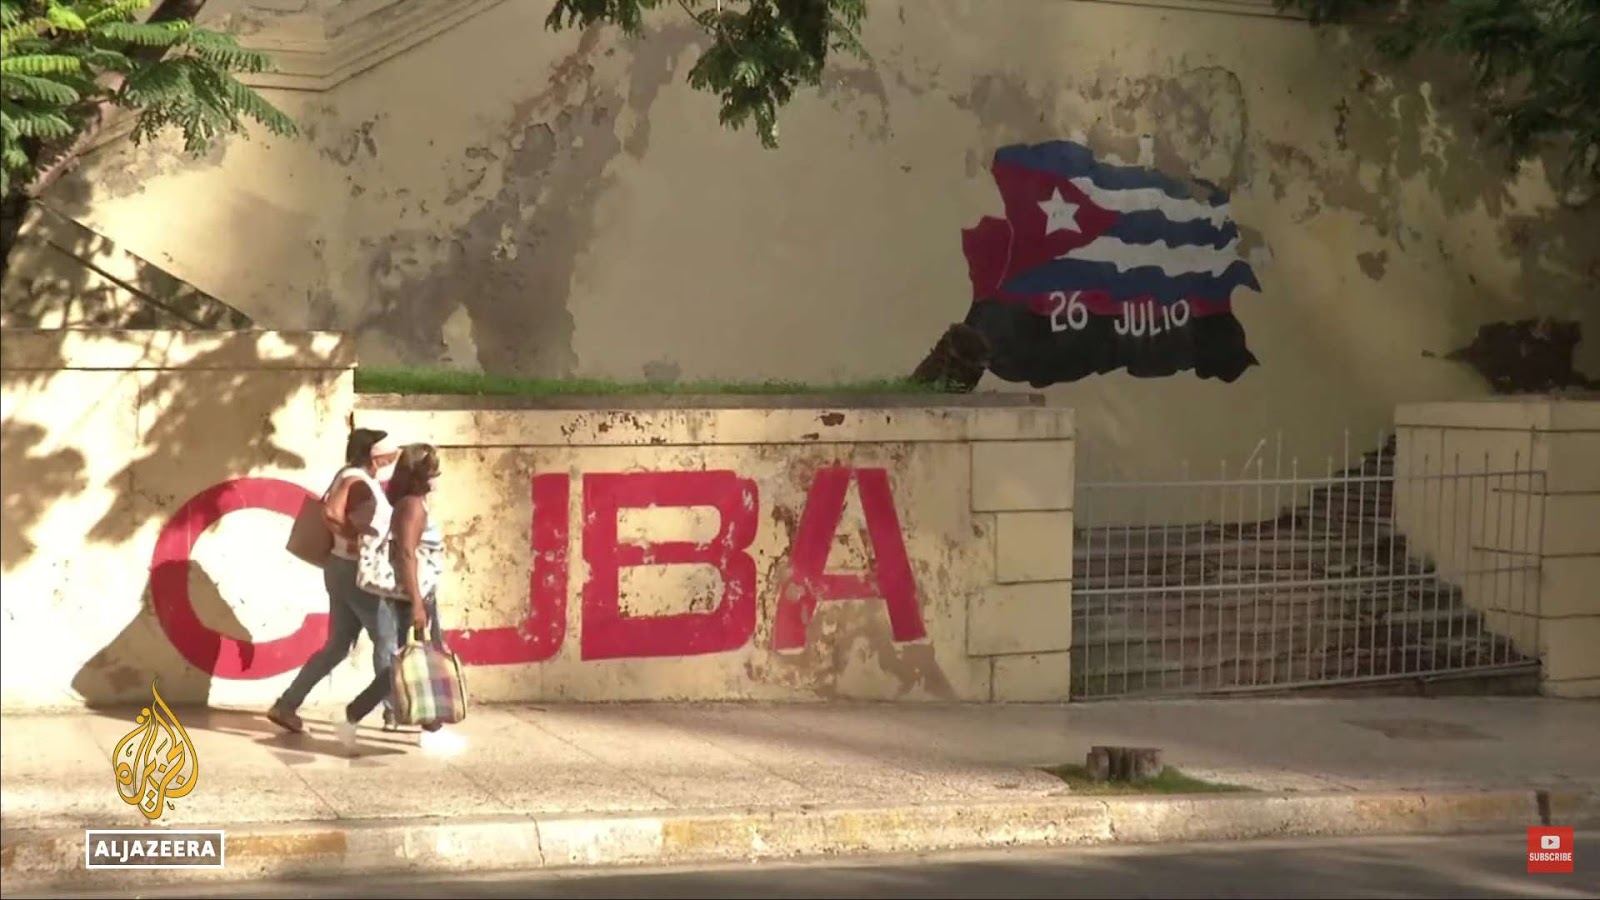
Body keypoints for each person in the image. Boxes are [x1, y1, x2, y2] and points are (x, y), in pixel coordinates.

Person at [266, 429, 400, 734]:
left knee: (338, 645)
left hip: (341, 569)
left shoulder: (350, 475)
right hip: (356, 572)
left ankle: (287, 704)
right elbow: (330, 512)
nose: (393, 457)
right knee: (386, 640)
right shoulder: (356, 478)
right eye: (388, 453)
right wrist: (353, 538)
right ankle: (394, 711)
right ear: (374, 455)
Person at [336, 443, 462, 754]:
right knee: (421, 662)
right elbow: (405, 554)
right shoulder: (412, 506)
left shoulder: (411, 501)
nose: (437, 478)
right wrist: (418, 603)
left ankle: (353, 715)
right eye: (433, 472)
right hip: (413, 595)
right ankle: (432, 731)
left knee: (407, 664)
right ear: (422, 476)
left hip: (418, 592)